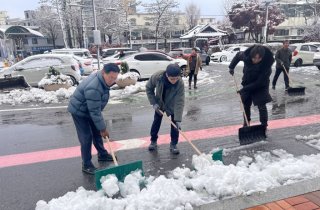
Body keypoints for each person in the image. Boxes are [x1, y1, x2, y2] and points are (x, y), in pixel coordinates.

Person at [68, 63, 120, 174]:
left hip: (90, 109)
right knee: (86, 137)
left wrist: (100, 129)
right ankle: (86, 164)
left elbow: (95, 110)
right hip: (79, 111)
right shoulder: (94, 87)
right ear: (103, 73)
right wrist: (103, 129)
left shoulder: (102, 81)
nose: (112, 80)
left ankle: (102, 154)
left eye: (115, 78)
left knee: (97, 132)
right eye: (111, 77)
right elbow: (95, 112)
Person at [229, 45, 275, 128]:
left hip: (261, 85)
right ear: (251, 56)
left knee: (261, 105)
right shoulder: (246, 56)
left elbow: (258, 83)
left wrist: (243, 89)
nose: (256, 60)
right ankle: (246, 122)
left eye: (259, 58)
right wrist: (231, 67)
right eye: (254, 58)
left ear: (262, 57)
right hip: (247, 81)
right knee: (246, 104)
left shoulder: (266, 66)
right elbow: (237, 56)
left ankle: (264, 125)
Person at [146, 64, 185, 155]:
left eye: (176, 78)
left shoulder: (180, 83)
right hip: (160, 104)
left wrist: (178, 119)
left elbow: (180, 101)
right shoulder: (157, 77)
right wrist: (154, 103)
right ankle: (153, 141)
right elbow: (149, 88)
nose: (174, 81)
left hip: (173, 104)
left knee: (175, 125)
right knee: (156, 121)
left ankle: (174, 144)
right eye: (172, 79)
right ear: (167, 75)